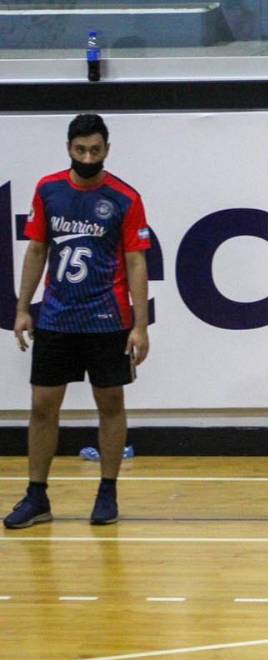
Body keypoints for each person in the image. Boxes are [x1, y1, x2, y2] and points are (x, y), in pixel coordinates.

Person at [4, 113, 151, 529]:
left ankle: (107, 491)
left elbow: (136, 261)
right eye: (80, 150)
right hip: (56, 318)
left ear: (107, 150)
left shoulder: (124, 198)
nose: (88, 157)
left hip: (108, 320)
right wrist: (22, 308)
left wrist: (140, 325)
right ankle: (37, 496)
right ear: (69, 148)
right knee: (42, 406)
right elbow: (36, 251)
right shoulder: (48, 190)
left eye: (95, 150)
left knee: (110, 404)